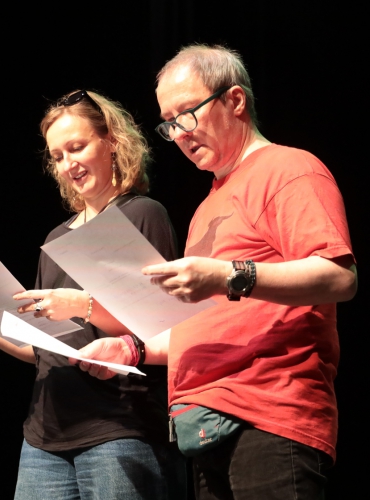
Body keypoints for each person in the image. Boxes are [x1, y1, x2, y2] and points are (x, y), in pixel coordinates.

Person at [75, 45, 358, 499]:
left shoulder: (289, 168)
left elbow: (339, 277)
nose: (179, 134)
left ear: (235, 100)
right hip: (204, 425)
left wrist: (227, 275)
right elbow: (208, 326)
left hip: (268, 416)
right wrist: (130, 349)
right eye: (169, 123)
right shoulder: (209, 204)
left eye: (187, 113)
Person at [0, 90, 186, 499]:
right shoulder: (56, 238)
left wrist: (83, 305)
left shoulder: (142, 214)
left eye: (77, 147)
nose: (68, 164)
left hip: (119, 427)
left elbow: (162, 326)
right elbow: (38, 350)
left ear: (112, 141)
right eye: (58, 156)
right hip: (44, 438)